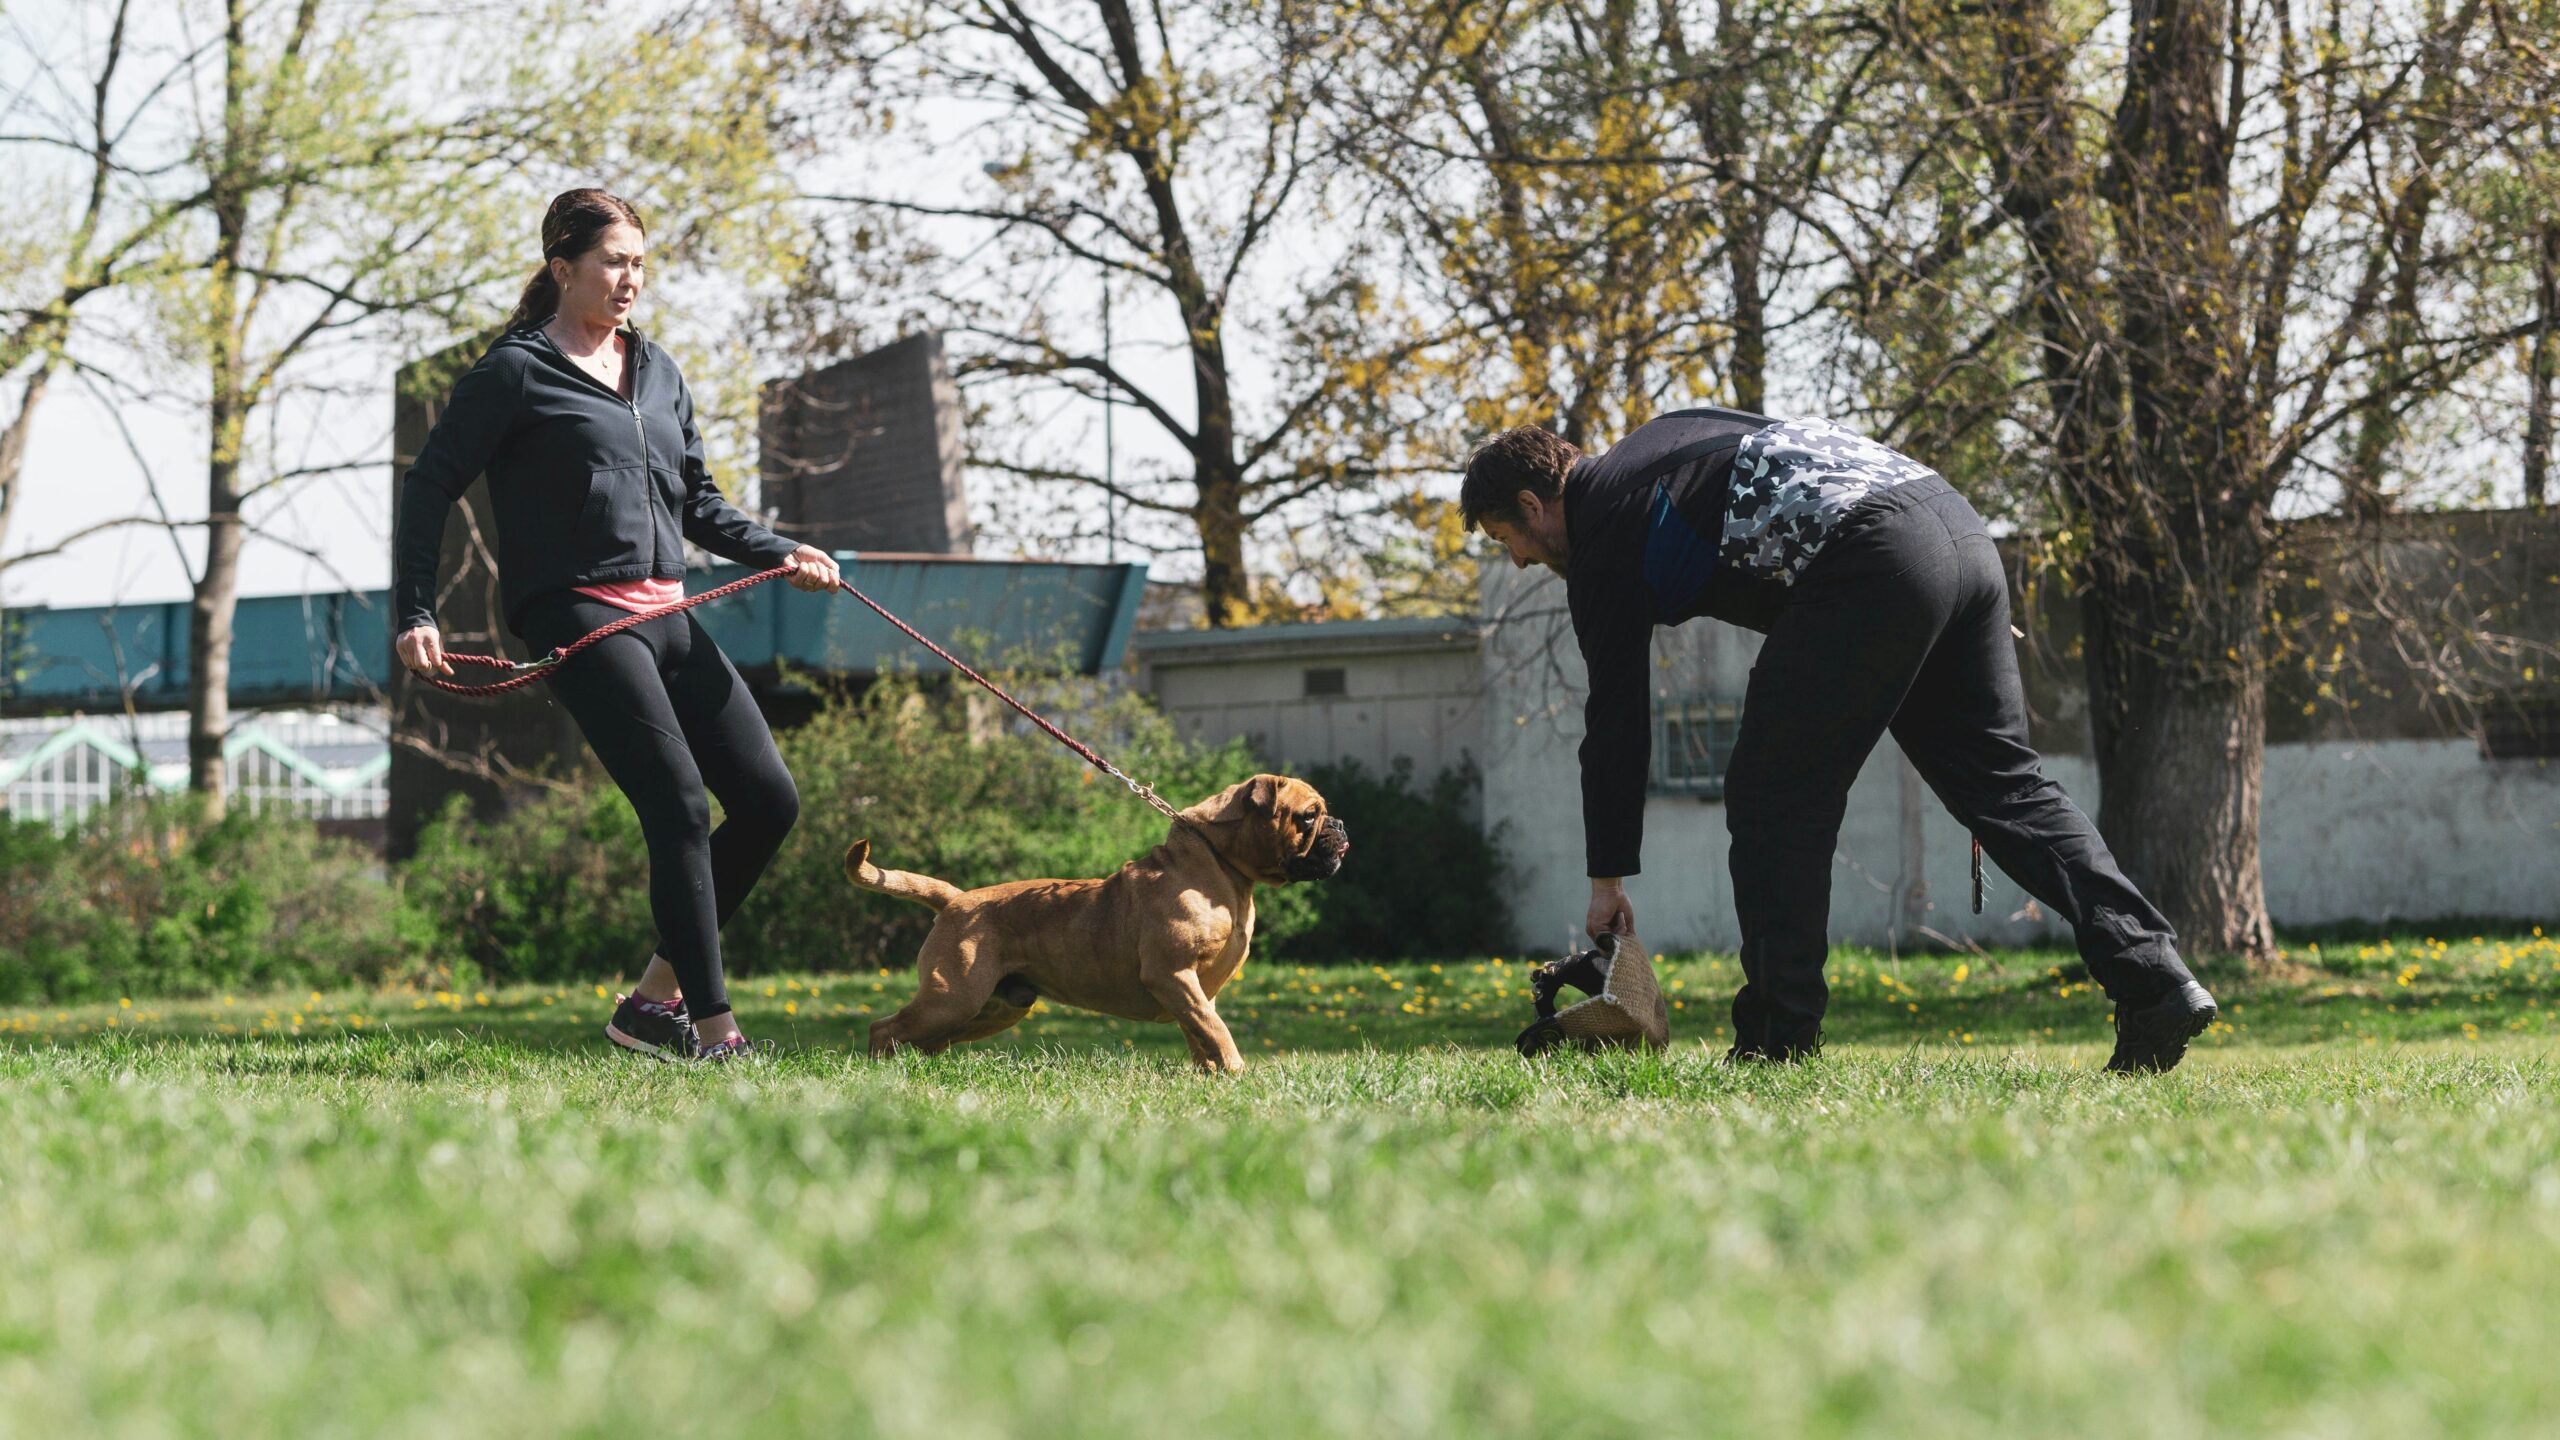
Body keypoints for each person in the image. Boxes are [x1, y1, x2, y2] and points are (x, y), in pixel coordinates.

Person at [1461, 409, 2220, 1071]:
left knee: (1771, 797)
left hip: (1872, 559)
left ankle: (1776, 1041)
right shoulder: (1666, 435)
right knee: (2005, 787)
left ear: (1533, 503)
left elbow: (1617, 723)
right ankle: (2156, 982)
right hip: (1956, 528)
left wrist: (1607, 883)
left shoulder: (1604, 538)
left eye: (1508, 539)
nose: (1521, 561)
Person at [392, 188, 842, 1062]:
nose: (629, 277)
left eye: (639, 261)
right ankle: (715, 1036)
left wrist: (781, 549)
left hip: (668, 607)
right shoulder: (515, 371)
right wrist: (417, 610)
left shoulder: (659, 371)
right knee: (675, 805)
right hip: (577, 612)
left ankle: (649, 1004)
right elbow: (429, 484)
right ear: (564, 268)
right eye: (612, 261)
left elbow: (699, 503)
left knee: (767, 802)